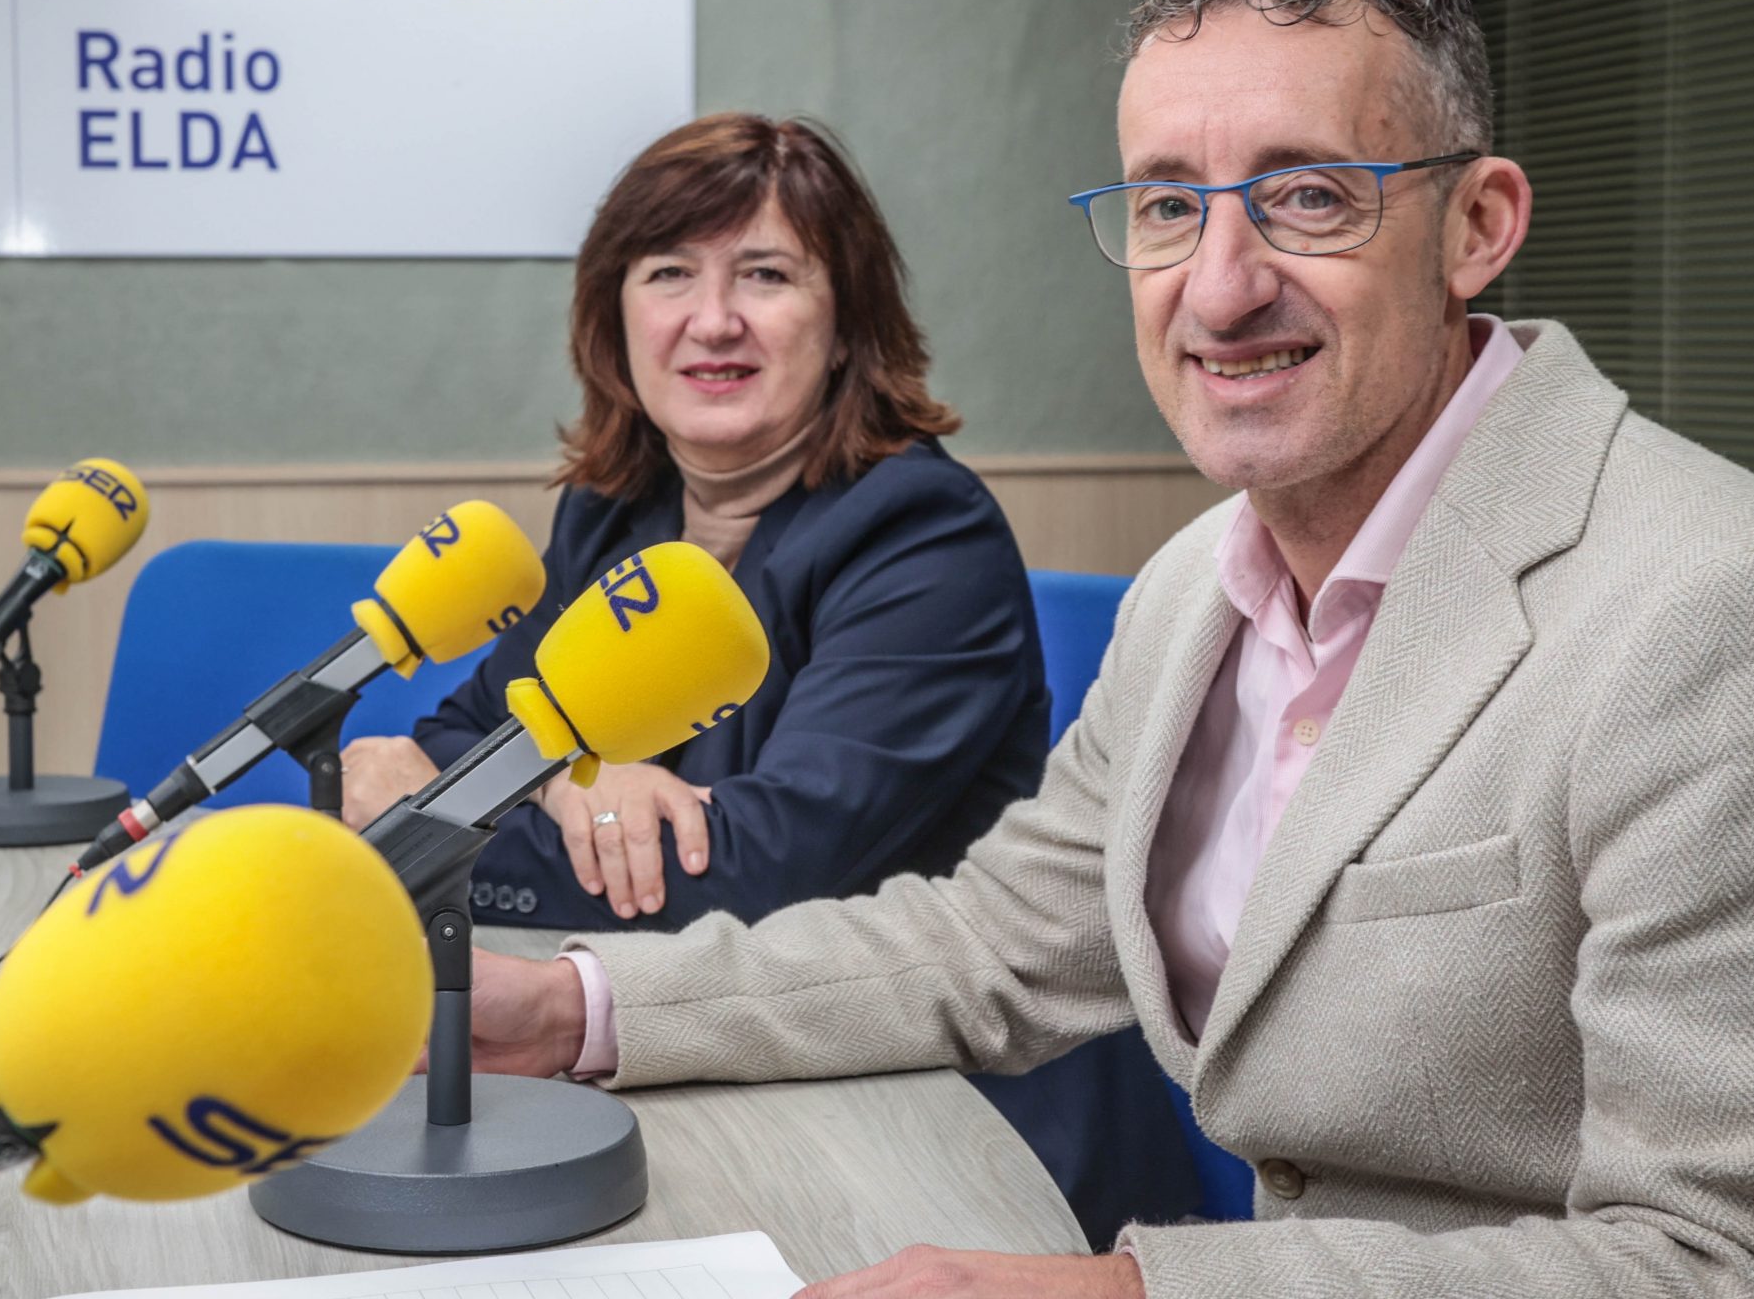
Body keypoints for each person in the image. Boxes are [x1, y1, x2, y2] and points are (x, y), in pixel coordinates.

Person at [459, 0, 1754, 1299]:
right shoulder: (1197, 585)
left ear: (1477, 227)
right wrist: (577, 1008)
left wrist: (1128, 1296)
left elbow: (1745, 1263)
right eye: (1165, 206)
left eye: (1309, 195)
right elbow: (991, 945)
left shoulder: (1731, 617)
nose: (1219, 285)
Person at [343, 113, 1201, 1242]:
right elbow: (480, 729)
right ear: (614, 319)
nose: (713, 320)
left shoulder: (922, 533)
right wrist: (565, 781)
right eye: (667, 275)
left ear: (846, 323)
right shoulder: (613, 515)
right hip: (693, 1067)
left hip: (940, 1119)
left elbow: (761, 869)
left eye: (766, 274)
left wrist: (440, 805)